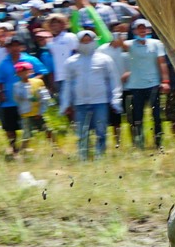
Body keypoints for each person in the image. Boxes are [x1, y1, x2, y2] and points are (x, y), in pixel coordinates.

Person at [60, 29, 120, 160]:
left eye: (89, 41)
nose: (86, 43)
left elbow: (114, 80)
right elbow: (68, 84)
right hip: (80, 103)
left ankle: (99, 156)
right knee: (82, 132)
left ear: (94, 42)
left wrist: (115, 99)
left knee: (101, 131)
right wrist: (65, 103)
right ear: (78, 42)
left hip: (100, 101)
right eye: (83, 41)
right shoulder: (71, 61)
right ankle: (83, 157)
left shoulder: (104, 59)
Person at [120, 19, 167, 149]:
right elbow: (119, 44)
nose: (142, 30)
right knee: (137, 117)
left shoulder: (157, 44)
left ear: (148, 30)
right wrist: (120, 33)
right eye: (139, 28)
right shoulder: (130, 44)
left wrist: (165, 81)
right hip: (136, 86)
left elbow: (161, 62)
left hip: (153, 84)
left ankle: (158, 143)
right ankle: (138, 143)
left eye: (144, 28)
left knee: (157, 116)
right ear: (134, 31)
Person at [0, 35, 29, 155]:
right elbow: (0, 80)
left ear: (21, 47)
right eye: (11, 46)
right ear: (7, 48)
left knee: (28, 125)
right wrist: (1, 93)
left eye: (17, 45)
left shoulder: (30, 60)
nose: (15, 48)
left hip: (26, 99)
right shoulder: (3, 63)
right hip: (9, 100)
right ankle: (14, 149)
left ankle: (24, 148)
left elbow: (41, 73)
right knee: (10, 127)